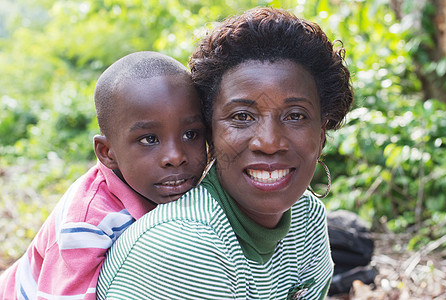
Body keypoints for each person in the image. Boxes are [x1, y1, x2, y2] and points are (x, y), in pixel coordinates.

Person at [97, 7, 353, 300]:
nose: (269, 142)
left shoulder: (306, 218)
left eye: (295, 116)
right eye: (242, 116)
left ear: (320, 135)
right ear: (210, 134)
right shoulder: (184, 244)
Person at [0, 51, 207, 299]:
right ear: (107, 152)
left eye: (191, 134)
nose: (175, 156)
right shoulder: (87, 224)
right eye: (149, 139)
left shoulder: (197, 190)